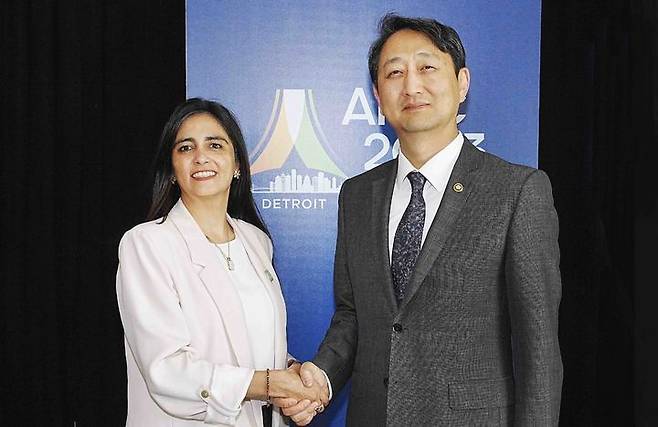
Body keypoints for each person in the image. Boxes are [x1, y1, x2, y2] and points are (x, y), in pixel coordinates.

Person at [276, 13, 563, 426]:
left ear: (462, 83)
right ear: (378, 95)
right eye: (395, 73)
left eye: (427, 67)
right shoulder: (357, 195)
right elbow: (354, 315)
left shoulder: (516, 191)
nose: (411, 86)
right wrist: (321, 376)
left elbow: (538, 348)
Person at [116, 98, 327, 427]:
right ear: (172, 170)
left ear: (237, 164)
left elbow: (250, 347)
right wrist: (269, 384)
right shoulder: (146, 244)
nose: (201, 157)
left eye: (215, 145)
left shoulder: (256, 241)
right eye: (186, 148)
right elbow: (166, 370)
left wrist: (292, 374)